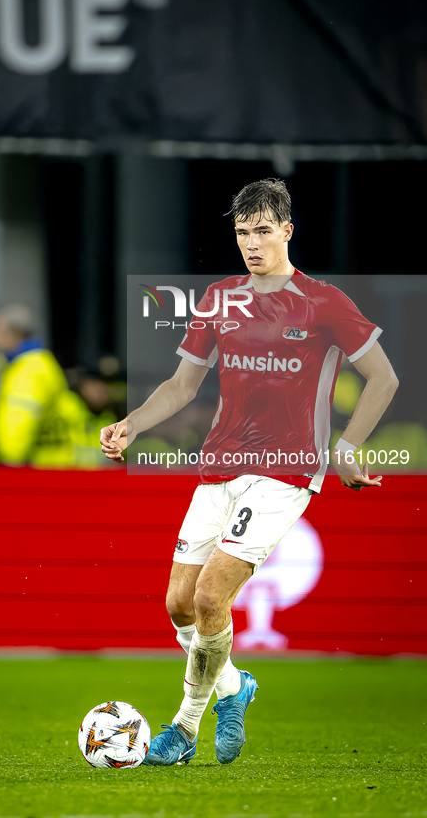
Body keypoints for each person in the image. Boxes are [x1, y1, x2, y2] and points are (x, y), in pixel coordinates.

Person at [100, 178, 399, 766]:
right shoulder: (218, 299)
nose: (252, 243)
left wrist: (349, 446)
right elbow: (182, 385)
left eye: (263, 230)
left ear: (288, 230)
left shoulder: (325, 303)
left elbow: (384, 378)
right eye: (242, 232)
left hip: (285, 472)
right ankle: (235, 685)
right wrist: (132, 425)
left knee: (213, 596)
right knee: (179, 605)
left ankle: (184, 728)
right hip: (220, 465)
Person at [0, 304, 92, 467]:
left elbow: (16, 430)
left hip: (37, 471)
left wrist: (8, 464)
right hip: (58, 464)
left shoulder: (26, 371)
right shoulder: (44, 363)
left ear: (13, 334)